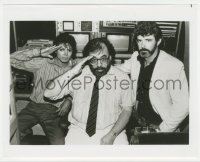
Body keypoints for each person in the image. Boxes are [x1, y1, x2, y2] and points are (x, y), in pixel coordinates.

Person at [44, 38, 134, 145]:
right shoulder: (78, 75)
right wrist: (72, 71)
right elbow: (48, 93)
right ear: (87, 60)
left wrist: (112, 135)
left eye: (103, 59)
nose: (99, 64)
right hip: (79, 130)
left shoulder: (122, 78)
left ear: (110, 58)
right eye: (93, 60)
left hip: (113, 129)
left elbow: (127, 110)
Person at [117, 21, 189, 132]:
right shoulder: (136, 56)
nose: (143, 45)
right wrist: (93, 65)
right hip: (137, 119)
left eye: (148, 40)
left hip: (159, 123)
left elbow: (183, 106)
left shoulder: (174, 66)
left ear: (158, 41)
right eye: (139, 40)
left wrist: (162, 129)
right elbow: (118, 69)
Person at [10, 33, 77, 144]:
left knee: (60, 144)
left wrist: (69, 99)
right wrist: (38, 52)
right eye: (61, 49)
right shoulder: (42, 63)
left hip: (54, 112)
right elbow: (11, 59)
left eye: (69, 50)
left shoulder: (75, 68)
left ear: (73, 52)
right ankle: (26, 132)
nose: (65, 54)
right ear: (55, 50)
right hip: (33, 107)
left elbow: (80, 89)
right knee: (9, 132)